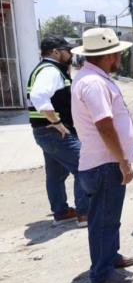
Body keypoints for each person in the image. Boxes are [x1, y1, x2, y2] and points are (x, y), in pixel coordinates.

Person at [70, 28, 133, 283]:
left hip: (102, 161)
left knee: (109, 216)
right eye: (118, 53)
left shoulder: (90, 78)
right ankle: (101, 272)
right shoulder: (94, 83)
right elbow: (104, 125)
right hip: (104, 163)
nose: (120, 56)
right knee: (102, 220)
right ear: (109, 55)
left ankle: (110, 257)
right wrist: (122, 159)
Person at [27, 36, 88, 227]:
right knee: (83, 167)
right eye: (67, 50)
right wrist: (56, 121)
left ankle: (61, 213)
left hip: (45, 132)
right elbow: (38, 96)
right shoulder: (50, 71)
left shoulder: (48, 69)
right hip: (55, 132)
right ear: (55, 52)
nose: (69, 54)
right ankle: (85, 214)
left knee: (55, 174)